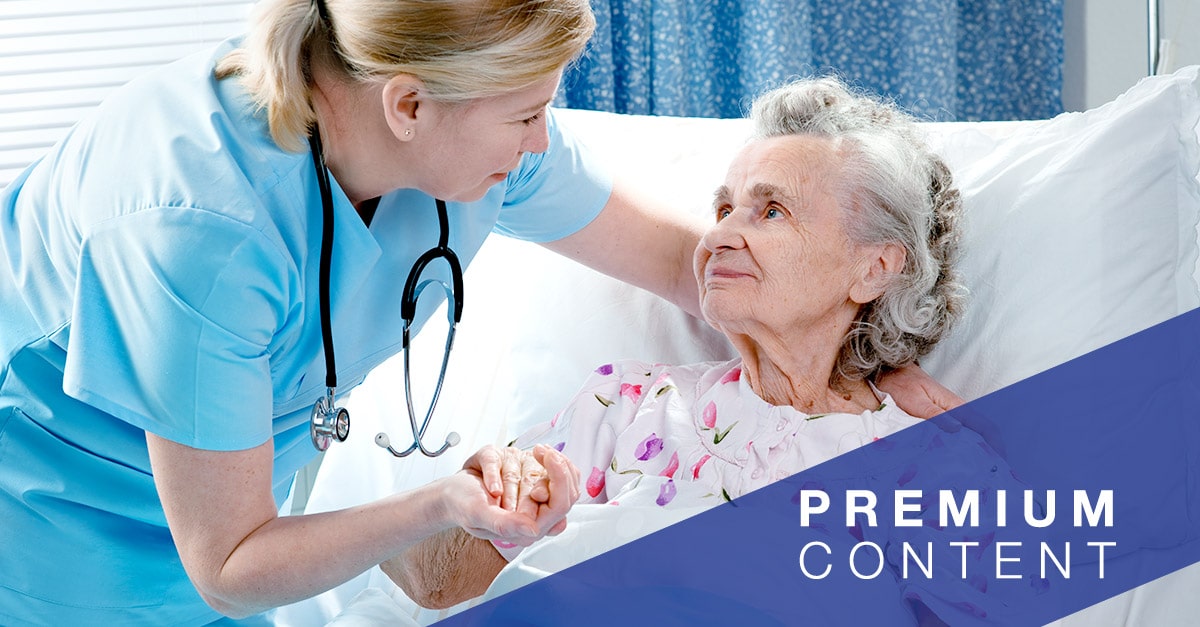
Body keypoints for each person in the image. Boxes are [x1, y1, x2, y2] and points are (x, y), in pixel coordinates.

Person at [0, 1, 958, 623]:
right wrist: (454, 503)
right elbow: (254, 559)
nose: (544, 138)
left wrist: (862, 371)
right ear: (409, 107)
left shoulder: (471, 127)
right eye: (527, 112)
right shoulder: (194, 224)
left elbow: (688, 264)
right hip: (47, 531)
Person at [384, 77, 1011, 623]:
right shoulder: (627, 402)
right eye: (723, 208)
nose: (719, 235)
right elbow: (437, 582)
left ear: (875, 269)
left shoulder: (931, 460)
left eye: (771, 210)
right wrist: (479, 500)